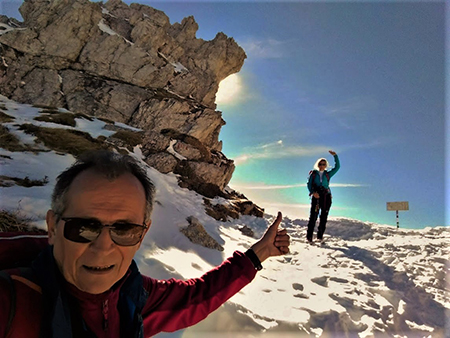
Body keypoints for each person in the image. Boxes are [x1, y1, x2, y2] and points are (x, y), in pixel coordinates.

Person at [0, 150, 290, 338]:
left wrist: (259, 254)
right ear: (53, 227)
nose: (103, 247)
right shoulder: (12, 302)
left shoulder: (131, 295)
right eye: (84, 227)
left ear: (142, 234)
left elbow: (195, 298)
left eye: (124, 229)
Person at [306, 150, 340, 243]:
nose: (322, 165)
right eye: (320, 164)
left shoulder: (328, 174)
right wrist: (313, 192)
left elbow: (337, 167)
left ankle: (320, 237)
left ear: (326, 165)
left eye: (324, 164)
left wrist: (335, 156)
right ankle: (309, 237)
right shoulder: (313, 174)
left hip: (326, 197)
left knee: (324, 217)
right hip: (316, 197)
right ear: (318, 164)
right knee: (313, 216)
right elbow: (309, 184)